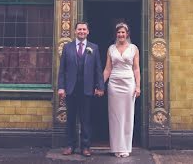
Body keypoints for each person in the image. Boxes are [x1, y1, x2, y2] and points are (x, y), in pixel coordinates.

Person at [57, 21, 104, 157]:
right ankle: (70, 146)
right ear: (75, 31)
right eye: (79, 29)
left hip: (87, 89)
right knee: (70, 119)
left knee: (86, 120)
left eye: (84, 29)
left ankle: (85, 147)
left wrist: (99, 86)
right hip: (71, 89)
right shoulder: (67, 47)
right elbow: (62, 70)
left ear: (88, 32)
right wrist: (61, 87)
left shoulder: (93, 48)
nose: (81, 31)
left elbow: (98, 69)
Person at [102, 22, 140, 158]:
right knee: (115, 116)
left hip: (129, 83)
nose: (121, 35)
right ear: (116, 34)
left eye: (123, 32)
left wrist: (138, 86)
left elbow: (136, 68)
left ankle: (126, 147)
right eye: (119, 32)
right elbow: (108, 69)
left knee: (128, 115)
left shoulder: (134, 48)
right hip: (114, 84)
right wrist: (101, 84)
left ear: (127, 34)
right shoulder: (111, 49)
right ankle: (116, 147)